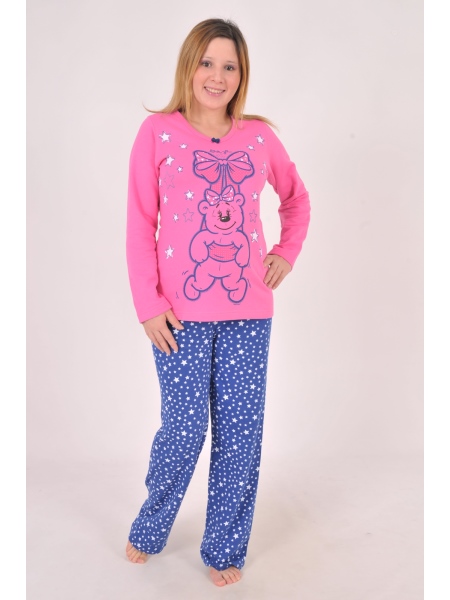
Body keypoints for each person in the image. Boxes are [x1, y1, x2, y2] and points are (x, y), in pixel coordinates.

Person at [124, 17, 310, 587]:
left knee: (240, 435)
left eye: (230, 66)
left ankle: (225, 546)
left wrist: (285, 252)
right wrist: (148, 304)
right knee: (183, 431)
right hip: (177, 317)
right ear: (189, 65)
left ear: (241, 75)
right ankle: (151, 526)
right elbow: (140, 222)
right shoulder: (157, 132)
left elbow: (297, 200)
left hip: (248, 312)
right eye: (207, 62)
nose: (217, 75)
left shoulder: (259, 138)